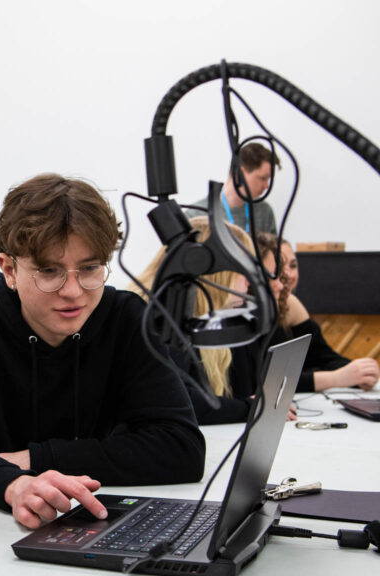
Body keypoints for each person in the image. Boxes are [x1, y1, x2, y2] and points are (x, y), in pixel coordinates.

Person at [0, 173, 205, 530]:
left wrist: (31, 459)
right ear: (9, 269)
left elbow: (181, 448)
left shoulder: (126, 318)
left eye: (89, 269)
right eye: (49, 271)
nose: (73, 291)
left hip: (86, 523)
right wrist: (16, 484)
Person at [130, 216, 295, 424]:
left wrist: (251, 404)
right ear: (210, 270)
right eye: (243, 270)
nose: (249, 281)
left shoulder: (202, 316)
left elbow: (240, 387)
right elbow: (181, 400)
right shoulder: (152, 316)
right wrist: (249, 408)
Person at [258, 234, 379, 392]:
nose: (289, 275)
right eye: (279, 269)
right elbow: (271, 378)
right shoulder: (250, 313)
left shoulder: (290, 303)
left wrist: (361, 373)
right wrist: (339, 378)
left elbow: (321, 356)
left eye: (293, 266)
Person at [186, 142, 280, 235]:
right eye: (263, 178)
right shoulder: (197, 216)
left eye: (269, 179)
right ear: (240, 173)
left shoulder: (265, 212)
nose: (267, 186)